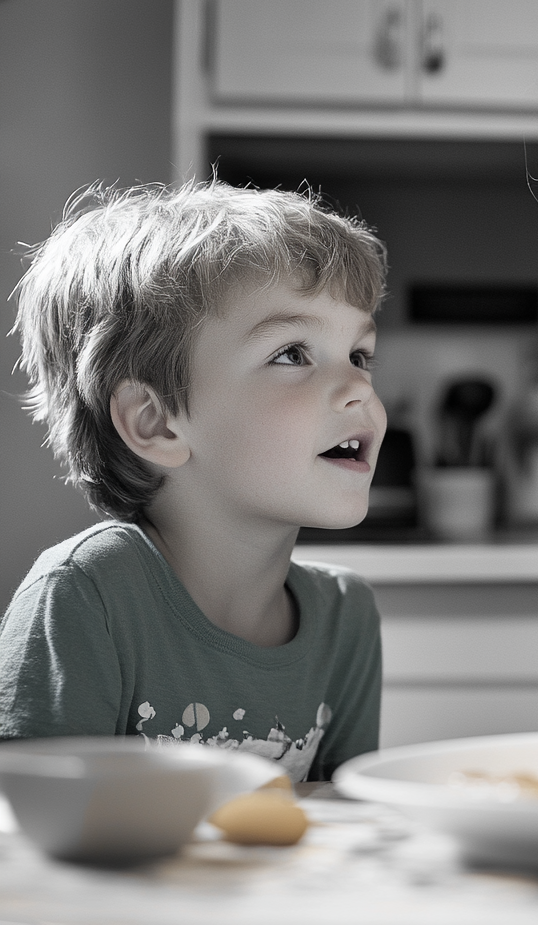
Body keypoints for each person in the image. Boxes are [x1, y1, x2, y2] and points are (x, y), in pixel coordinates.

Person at [0, 181, 388, 783]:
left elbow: (344, 833)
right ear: (155, 422)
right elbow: (30, 846)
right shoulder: (86, 598)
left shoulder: (346, 619)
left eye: (359, 355)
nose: (359, 387)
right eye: (293, 353)